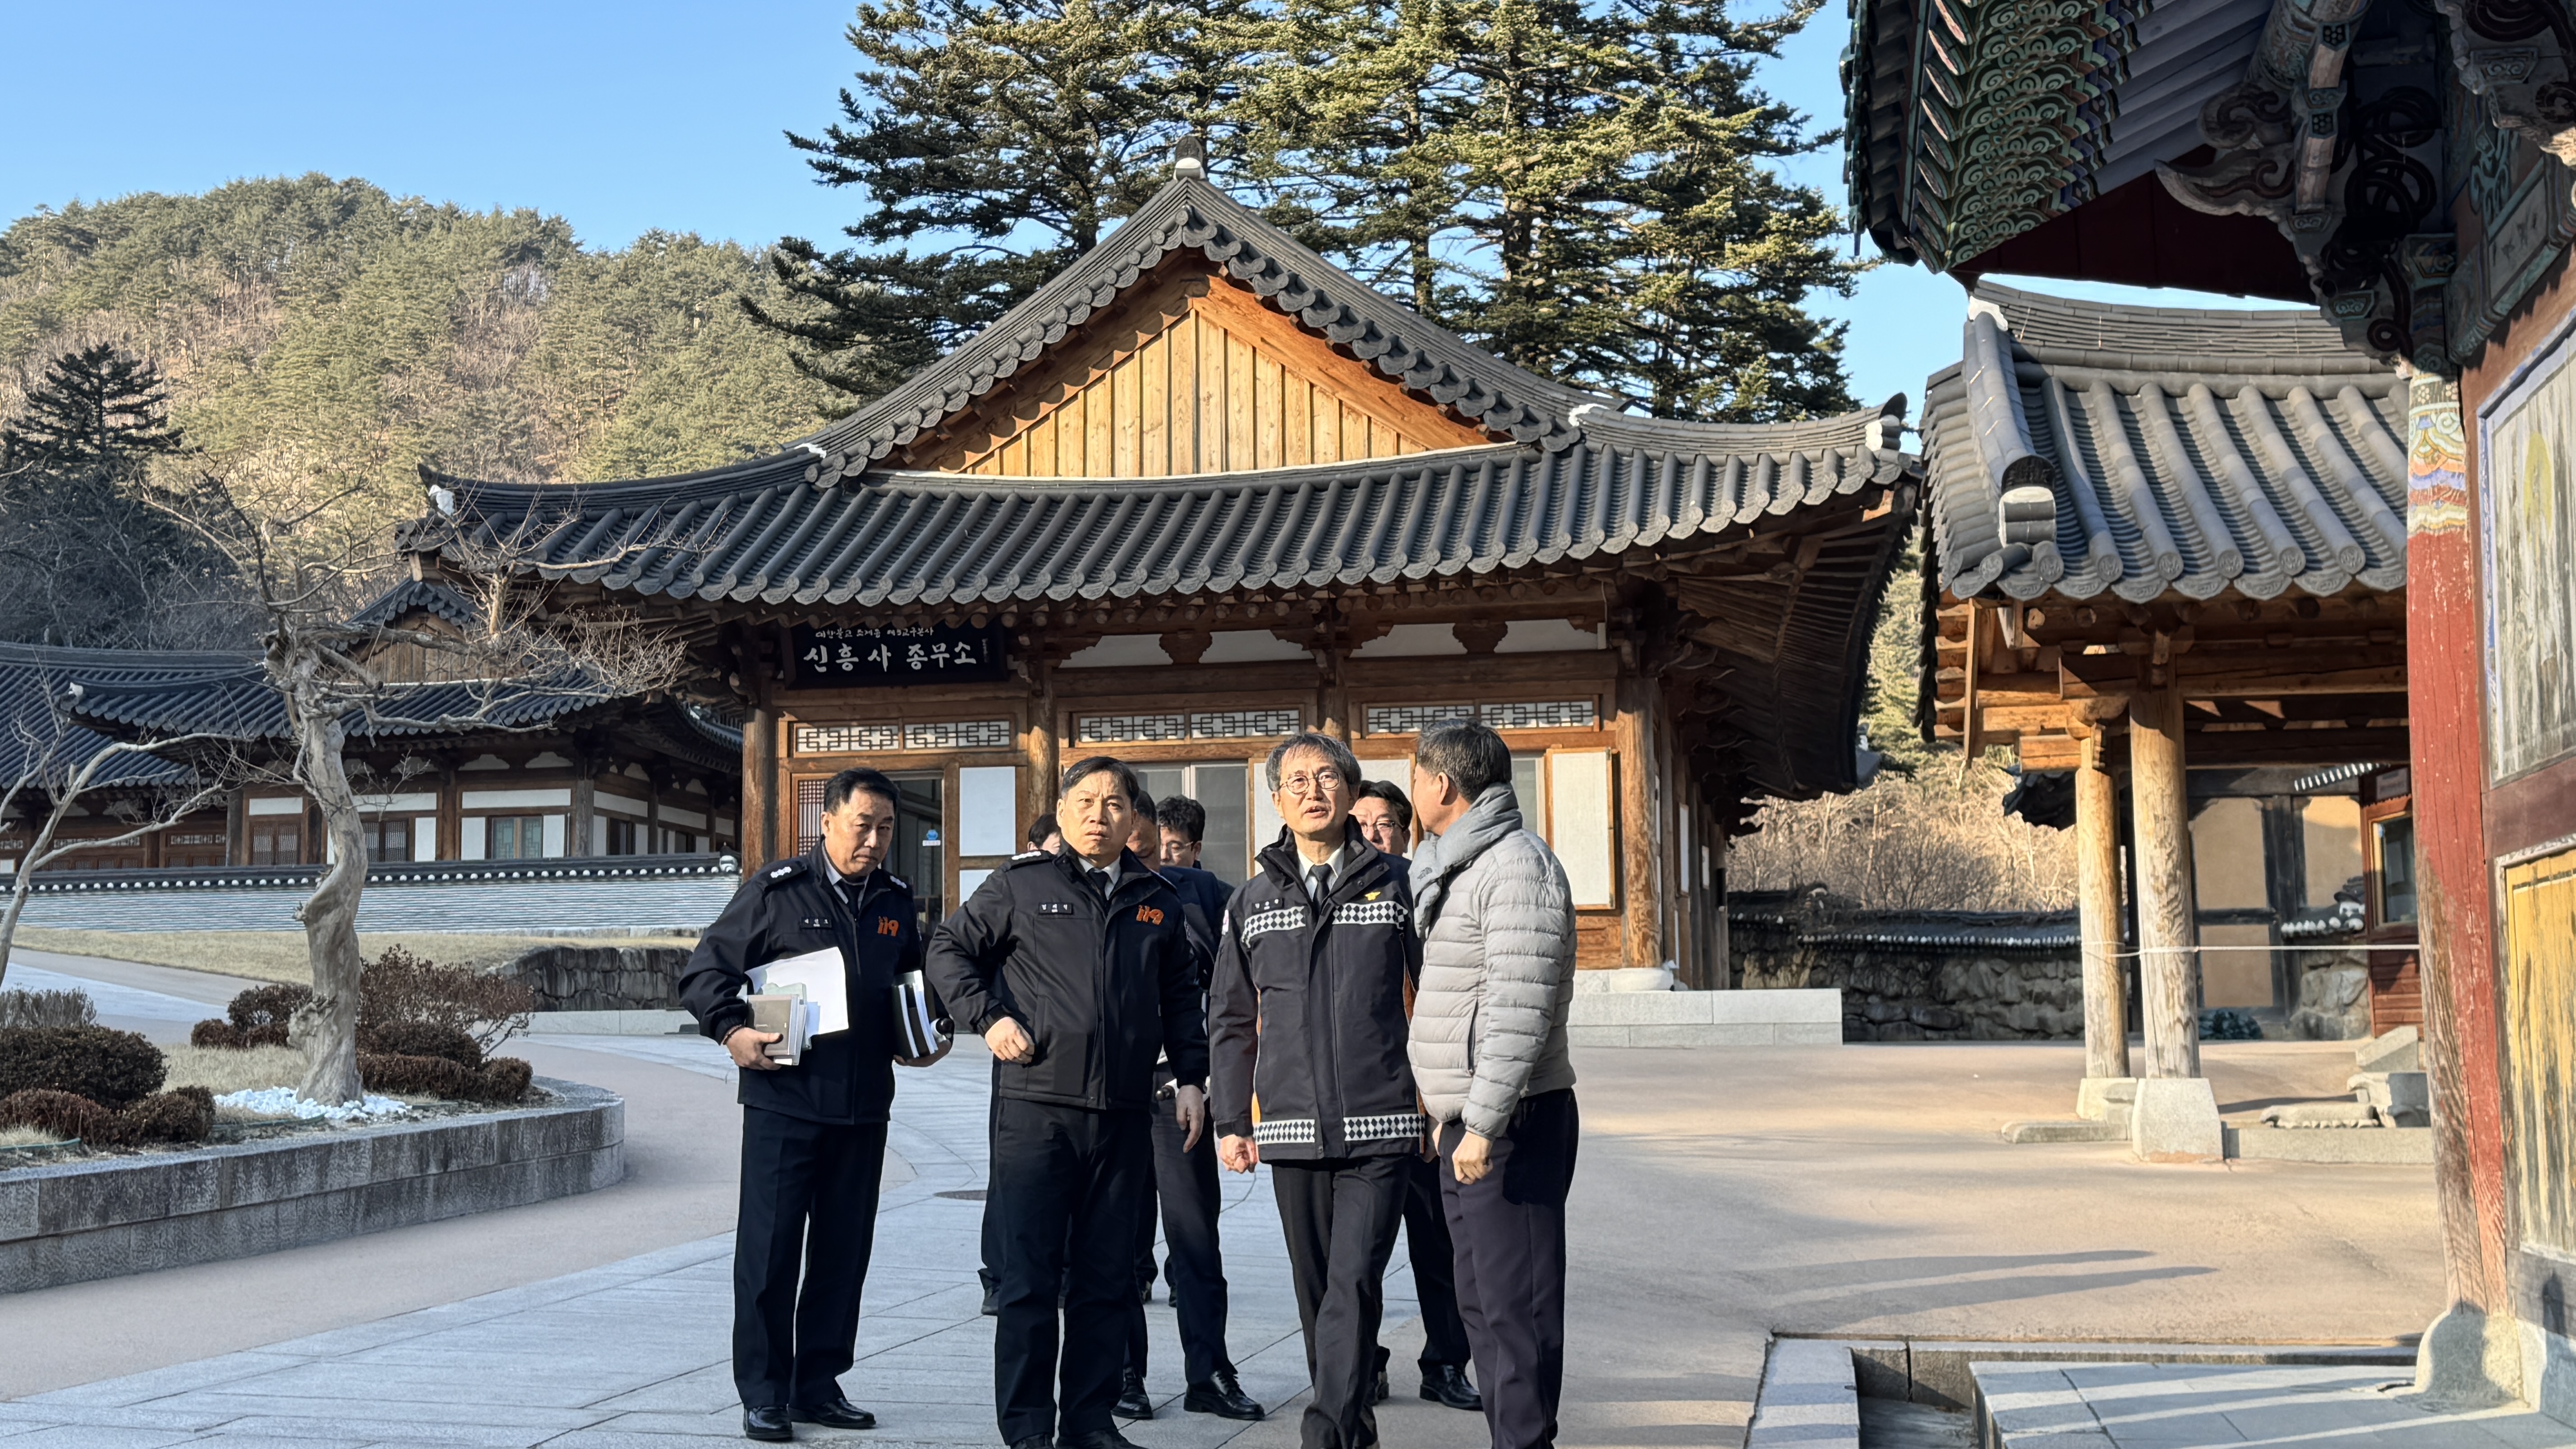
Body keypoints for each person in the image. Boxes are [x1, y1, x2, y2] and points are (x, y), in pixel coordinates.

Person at [927, 757, 1211, 1449]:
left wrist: (1192, 1079)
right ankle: (1027, 1428)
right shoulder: (1021, 885)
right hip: (1036, 1110)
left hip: (1122, 1113)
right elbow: (948, 949)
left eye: (1114, 803)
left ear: (1133, 817)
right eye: (1085, 801)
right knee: (1029, 1279)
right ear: (1061, 810)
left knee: (1107, 1277)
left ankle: (1089, 1420)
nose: (1098, 814)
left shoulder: (1157, 898)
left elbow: (1180, 998)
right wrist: (989, 1016)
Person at [677, 767, 953, 1443]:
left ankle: (818, 1384)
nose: (875, 841)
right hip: (785, 1102)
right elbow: (705, 971)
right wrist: (731, 1031)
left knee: (842, 1253)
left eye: (886, 828)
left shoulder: (894, 900)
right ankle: (764, 1392)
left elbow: (912, 988)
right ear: (826, 822)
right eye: (863, 825)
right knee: (769, 1252)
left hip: (864, 1108)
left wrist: (926, 1036)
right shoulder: (776, 892)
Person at [1210, 731, 1422, 1449]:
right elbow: (1230, 1018)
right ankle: (1353, 1430)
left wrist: (1438, 1103)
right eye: (1296, 781)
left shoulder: (1399, 886)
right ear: (1277, 799)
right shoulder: (1250, 901)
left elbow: (1434, 997)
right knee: (1317, 1294)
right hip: (1293, 1126)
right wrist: (1232, 1119)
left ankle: (1324, 1435)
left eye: (1327, 776)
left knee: (1354, 1281)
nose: (1312, 791)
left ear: (1351, 791)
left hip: (1381, 1122)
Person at [1406, 722, 1579, 1449]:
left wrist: (1481, 1122)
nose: (1413, 791)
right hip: (1469, 1118)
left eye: (1416, 778)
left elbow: (1517, 1007)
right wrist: (1446, 1110)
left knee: (1518, 1307)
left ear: (1442, 785)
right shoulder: (1461, 864)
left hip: (1511, 1119)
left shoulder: (1515, 865)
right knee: (1480, 1303)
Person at [1114, 797, 1262, 1425]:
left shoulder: (1201, 895)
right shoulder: (1079, 893)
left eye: (1151, 850)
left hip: (1180, 1089)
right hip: (1110, 1091)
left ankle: (1210, 1371)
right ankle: (1123, 1371)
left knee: (1196, 1239)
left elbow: (1238, 979)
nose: (1142, 861)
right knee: (1117, 1242)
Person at [1347, 780, 1482, 1414]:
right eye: (1361, 822)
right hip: (1362, 1101)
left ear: (1406, 833)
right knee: (1359, 1253)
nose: (1372, 833)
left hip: (1424, 1097)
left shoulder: (1424, 891)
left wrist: (1440, 1100)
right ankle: (1363, 1363)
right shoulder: (1334, 898)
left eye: (1385, 823)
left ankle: (1446, 1363)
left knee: (1438, 1242)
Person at [981, 811, 1070, 1318]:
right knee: (1010, 1174)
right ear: (1035, 849)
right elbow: (961, 954)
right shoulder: (1014, 888)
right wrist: (989, 1017)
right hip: (1019, 1055)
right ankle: (1000, 1274)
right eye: (1056, 849)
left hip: (1077, 1067)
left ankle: (1060, 1271)